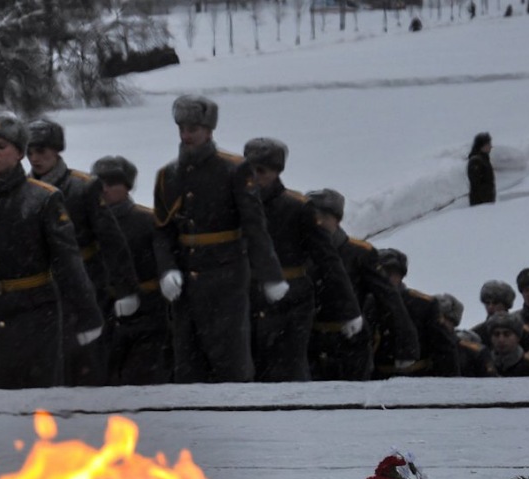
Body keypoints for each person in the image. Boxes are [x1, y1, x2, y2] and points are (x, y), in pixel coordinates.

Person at [0, 115, 103, 390]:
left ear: (19, 153)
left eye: (1, 146)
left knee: (35, 402)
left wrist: (87, 315)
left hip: (36, 314)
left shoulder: (44, 199)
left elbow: (67, 261)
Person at [153, 96, 288, 383]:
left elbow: (254, 225)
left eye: (194, 129)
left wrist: (270, 274)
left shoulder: (234, 169)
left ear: (209, 130)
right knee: (189, 362)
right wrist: (167, 269)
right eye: (182, 129)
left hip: (226, 278)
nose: (186, 136)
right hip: (186, 283)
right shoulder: (168, 175)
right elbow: (163, 231)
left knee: (231, 360)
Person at [27, 118, 139, 387]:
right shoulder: (23, 190)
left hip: (85, 283)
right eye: (30, 152)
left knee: (86, 361)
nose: (35, 158)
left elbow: (112, 241)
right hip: (39, 289)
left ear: (56, 151)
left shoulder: (83, 187)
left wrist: (126, 289)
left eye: (41, 151)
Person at [244, 139, 362, 383]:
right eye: (250, 170)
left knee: (289, 369)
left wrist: (349, 310)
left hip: (292, 303)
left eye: (261, 171)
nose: (254, 177)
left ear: (276, 172)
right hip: (248, 299)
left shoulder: (297, 208)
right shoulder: (237, 203)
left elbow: (328, 260)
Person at [306, 187, 418, 381]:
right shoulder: (301, 250)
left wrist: (405, 345)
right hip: (310, 342)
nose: (318, 221)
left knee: (353, 403)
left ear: (336, 219)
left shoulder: (360, 254)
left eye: (323, 215)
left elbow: (389, 298)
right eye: (312, 215)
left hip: (350, 343)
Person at [91, 155, 173, 386]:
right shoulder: (87, 224)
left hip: (147, 314)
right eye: (100, 184)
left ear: (127, 187)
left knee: (142, 380)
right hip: (102, 312)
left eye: (112, 183)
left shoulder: (148, 221)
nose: (104, 190)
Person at [374, 248, 460, 377]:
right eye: (382, 272)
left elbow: (444, 349)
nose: (387, 278)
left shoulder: (423, 304)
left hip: (417, 378)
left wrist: (449, 384)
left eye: (392, 273)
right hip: (376, 378)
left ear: (401, 276)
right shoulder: (365, 302)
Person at [437, 292, 495, 377]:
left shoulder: (475, 352)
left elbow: (491, 384)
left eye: (445, 319)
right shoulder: (421, 351)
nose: (440, 323)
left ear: (453, 322)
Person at [487, 312, 529, 377]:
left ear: (518, 337)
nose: (501, 339)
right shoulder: (483, 365)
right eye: (496, 334)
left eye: (507, 334)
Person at [470, 279, 517, 345]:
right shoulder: (477, 333)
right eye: (487, 303)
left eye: (495, 303)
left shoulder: (518, 329)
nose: (490, 307)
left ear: (506, 304)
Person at [467, 132, 496, 206]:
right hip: (480, 203)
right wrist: (485, 198)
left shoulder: (484, 159)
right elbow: (476, 183)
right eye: (488, 144)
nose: (491, 146)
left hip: (486, 201)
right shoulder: (476, 161)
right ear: (481, 146)